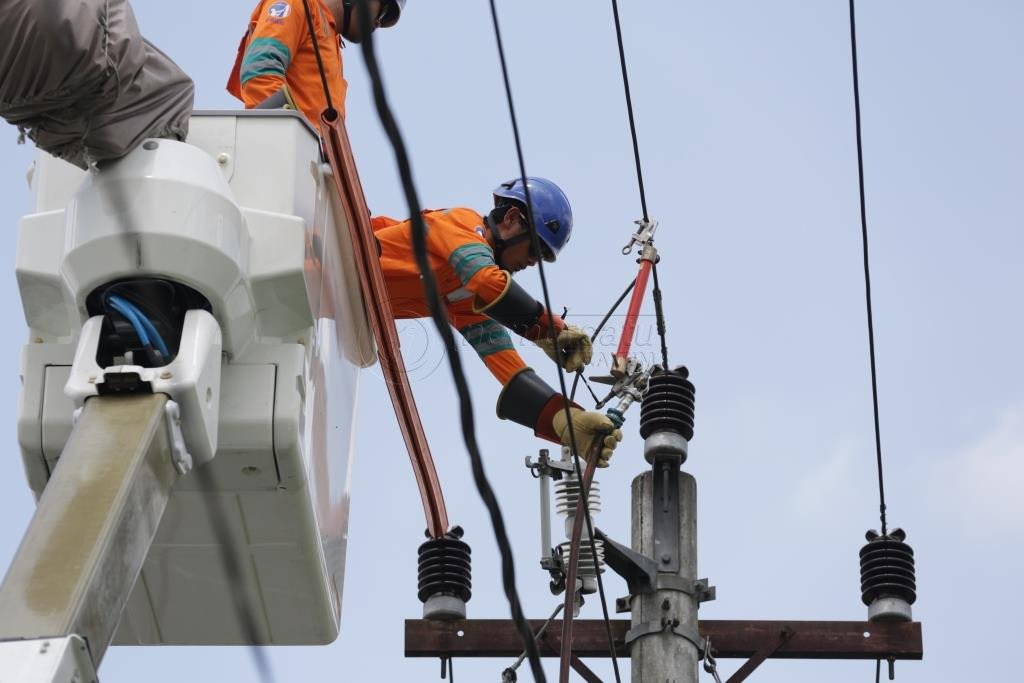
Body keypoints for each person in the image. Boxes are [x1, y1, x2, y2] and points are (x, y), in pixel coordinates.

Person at [371, 177, 623, 466]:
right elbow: (486, 279)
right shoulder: (462, 224)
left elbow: (510, 369)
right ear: (511, 220)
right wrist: (549, 331)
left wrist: (565, 420)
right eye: (534, 250)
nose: (532, 263)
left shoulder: (462, 297)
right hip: (324, 260)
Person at [227, 0, 405, 127]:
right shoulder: (297, 4)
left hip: (308, 168)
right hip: (288, 158)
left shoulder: (329, 41)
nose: (377, 23)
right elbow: (260, 72)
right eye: (383, 12)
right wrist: (295, 136)